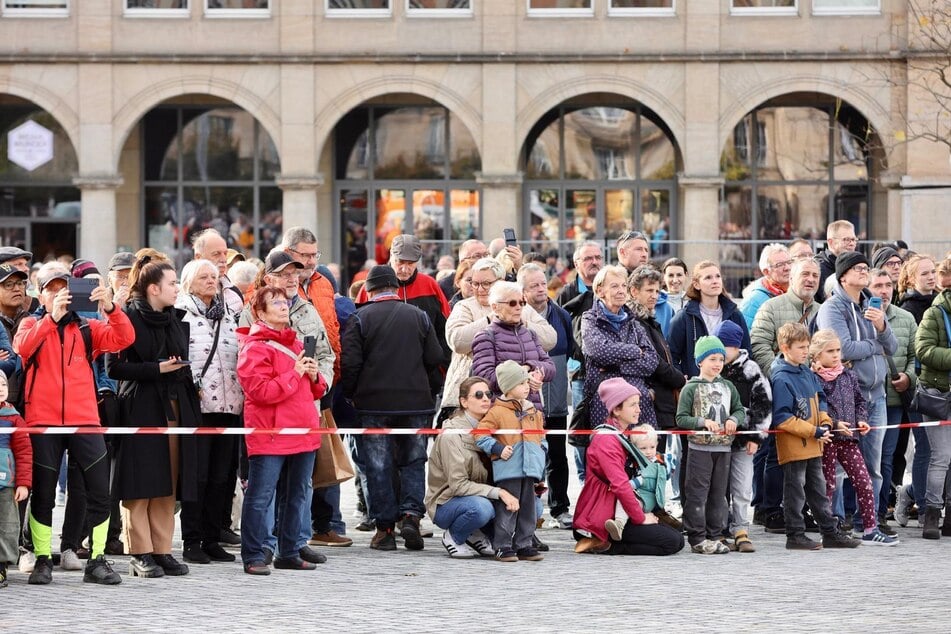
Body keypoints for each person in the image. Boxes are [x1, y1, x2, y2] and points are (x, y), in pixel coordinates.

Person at [14, 262, 134, 585]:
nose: (59, 293)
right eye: (51, 288)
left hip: (84, 420)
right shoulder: (30, 323)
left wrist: (110, 307)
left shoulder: (87, 327)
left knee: (99, 492)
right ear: (40, 296)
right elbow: (21, 348)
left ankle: (96, 560)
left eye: (62, 287)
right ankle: (41, 558)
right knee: (44, 494)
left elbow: (124, 338)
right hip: (44, 422)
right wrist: (50, 320)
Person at [107, 254, 202, 579]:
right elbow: (114, 368)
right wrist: (155, 369)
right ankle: (140, 552)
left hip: (175, 405)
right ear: (152, 288)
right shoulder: (127, 317)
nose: (177, 288)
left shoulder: (175, 318)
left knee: (168, 480)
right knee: (140, 481)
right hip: (141, 407)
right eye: (172, 283)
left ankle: (163, 550)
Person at [341, 265, 444, 552]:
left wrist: (351, 395)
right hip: (416, 403)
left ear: (370, 290)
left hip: (373, 404)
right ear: (395, 288)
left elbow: (349, 364)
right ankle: (411, 516)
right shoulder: (419, 316)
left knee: (378, 467)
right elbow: (435, 356)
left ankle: (384, 528)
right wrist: (429, 389)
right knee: (413, 462)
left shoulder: (359, 318)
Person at [236, 286, 328, 575]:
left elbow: (316, 390)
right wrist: (296, 373)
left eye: (285, 301)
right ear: (259, 313)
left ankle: (288, 551)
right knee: (261, 497)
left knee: (297, 495)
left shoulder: (297, 344)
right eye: (275, 302)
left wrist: (314, 376)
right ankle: (253, 554)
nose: (283, 305)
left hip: (303, 430)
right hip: (271, 433)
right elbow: (260, 391)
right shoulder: (254, 347)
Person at [816, 251, 897, 537]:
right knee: (836, 469)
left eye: (866, 268)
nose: (865, 272)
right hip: (843, 398)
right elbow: (844, 349)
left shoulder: (870, 305)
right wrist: (875, 346)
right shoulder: (832, 308)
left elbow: (893, 347)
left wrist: (881, 326)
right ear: (843, 276)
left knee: (872, 467)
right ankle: (835, 522)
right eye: (859, 268)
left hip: (876, 397)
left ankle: (869, 523)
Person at [176, 259, 244, 565]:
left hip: (230, 405)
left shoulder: (229, 314)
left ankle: (213, 537)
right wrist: (193, 384)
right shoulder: (180, 314)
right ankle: (192, 540)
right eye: (203, 277)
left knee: (222, 477)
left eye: (214, 277)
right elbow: (178, 357)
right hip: (199, 406)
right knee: (197, 476)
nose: (210, 281)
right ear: (188, 282)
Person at [770, 322, 860, 550]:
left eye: (807, 346)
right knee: (795, 491)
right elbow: (782, 417)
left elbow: (820, 397)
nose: (805, 351)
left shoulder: (806, 372)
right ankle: (795, 535)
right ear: (785, 347)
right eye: (800, 347)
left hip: (813, 442)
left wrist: (826, 421)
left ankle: (829, 532)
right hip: (795, 444)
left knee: (818, 490)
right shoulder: (781, 377)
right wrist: (813, 431)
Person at [573, 378, 684, 556]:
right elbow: (620, 485)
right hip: (602, 517)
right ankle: (605, 544)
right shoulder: (606, 440)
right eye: (633, 405)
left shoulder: (622, 434)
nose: (639, 409)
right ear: (616, 409)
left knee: (676, 538)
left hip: (616, 509)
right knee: (672, 542)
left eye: (638, 404)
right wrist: (640, 518)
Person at [440, 259, 555, 426]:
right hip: (479, 401)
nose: (479, 289)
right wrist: (492, 319)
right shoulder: (464, 307)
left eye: (486, 283)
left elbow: (551, 339)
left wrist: (521, 323)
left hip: (529, 405)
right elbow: (457, 341)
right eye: (475, 283)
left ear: (500, 282)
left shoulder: (521, 310)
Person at [810, 329, 898, 546]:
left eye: (838, 350)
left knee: (864, 481)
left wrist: (861, 420)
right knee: (828, 486)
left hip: (850, 440)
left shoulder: (848, 375)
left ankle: (870, 528)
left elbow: (860, 401)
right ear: (817, 355)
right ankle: (829, 530)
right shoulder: (812, 378)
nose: (835, 355)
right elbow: (815, 409)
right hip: (828, 439)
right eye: (830, 351)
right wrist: (834, 423)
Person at [425, 377, 512, 559]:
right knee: (482, 509)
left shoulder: (494, 428)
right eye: (478, 395)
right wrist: (499, 492)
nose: (486, 399)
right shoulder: (452, 435)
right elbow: (458, 485)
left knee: (532, 506)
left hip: (480, 494)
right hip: (447, 501)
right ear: (464, 402)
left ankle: (474, 533)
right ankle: (454, 537)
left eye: (489, 394)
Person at [676, 336, 746, 554]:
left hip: (723, 449)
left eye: (720, 359)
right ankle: (697, 537)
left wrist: (734, 420)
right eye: (712, 359)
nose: (717, 364)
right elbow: (681, 419)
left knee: (719, 495)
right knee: (697, 494)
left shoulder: (728, 387)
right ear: (700, 362)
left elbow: (739, 409)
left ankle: (716, 535)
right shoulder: (690, 388)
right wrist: (702, 422)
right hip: (699, 450)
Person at [518, 263, 573, 529]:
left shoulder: (561, 316)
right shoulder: (519, 316)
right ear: (522, 291)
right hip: (528, 404)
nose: (541, 289)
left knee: (558, 455)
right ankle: (531, 509)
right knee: (530, 457)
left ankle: (560, 507)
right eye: (534, 286)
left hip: (557, 402)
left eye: (543, 283)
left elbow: (569, 351)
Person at [475, 361, 547, 562]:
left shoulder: (533, 411)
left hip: (531, 469)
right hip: (509, 469)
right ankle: (503, 545)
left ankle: (524, 544)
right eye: (522, 383)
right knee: (508, 509)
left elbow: (541, 438)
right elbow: (480, 435)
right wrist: (497, 449)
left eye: (527, 382)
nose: (527, 386)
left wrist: (541, 460)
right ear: (508, 387)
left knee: (528, 509)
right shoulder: (497, 411)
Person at [868, 268, 919, 532]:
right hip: (866, 399)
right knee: (865, 458)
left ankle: (879, 511)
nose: (884, 290)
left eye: (888, 285)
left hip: (895, 401)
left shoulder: (906, 318)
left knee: (886, 458)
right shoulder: (860, 316)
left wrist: (909, 377)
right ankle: (859, 511)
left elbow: (914, 354)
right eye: (878, 285)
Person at [714, 321, 771, 553]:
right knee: (718, 487)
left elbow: (764, 404)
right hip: (717, 441)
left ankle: (740, 528)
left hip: (742, 440)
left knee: (742, 487)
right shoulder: (712, 367)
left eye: (726, 346)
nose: (721, 351)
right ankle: (718, 528)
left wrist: (755, 437)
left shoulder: (751, 370)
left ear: (736, 347)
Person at [580, 266, 660, 430]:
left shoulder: (634, 323)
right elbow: (599, 351)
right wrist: (635, 351)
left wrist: (614, 365)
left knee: (643, 452)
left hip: (639, 405)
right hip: (606, 406)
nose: (621, 291)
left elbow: (651, 360)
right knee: (609, 451)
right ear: (600, 291)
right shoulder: (590, 319)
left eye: (623, 286)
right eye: (615, 286)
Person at [470, 281, 556, 418]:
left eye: (522, 303)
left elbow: (551, 368)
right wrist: (523, 378)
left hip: (532, 415)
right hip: (501, 417)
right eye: (512, 303)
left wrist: (529, 367)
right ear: (495, 307)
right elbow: (485, 379)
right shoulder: (485, 336)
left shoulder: (530, 333)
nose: (518, 307)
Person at [915, 262, 951, 539]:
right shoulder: (934, 313)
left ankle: (949, 515)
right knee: (941, 456)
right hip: (937, 393)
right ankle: (931, 513)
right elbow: (923, 350)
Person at [668, 260, 751, 380]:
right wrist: (682, 380)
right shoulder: (683, 318)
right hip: (697, 388)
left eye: (718, 276)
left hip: (730, 388)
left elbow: (746, 351)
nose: (715, 281)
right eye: (708, 278)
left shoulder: (735, 315)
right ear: (696, 284)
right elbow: (671, 356)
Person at [750, 258, 821, 378]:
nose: (811, 279)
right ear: (791, 278)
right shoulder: (770, 307)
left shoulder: (823, 311)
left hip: (815, 387)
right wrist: (780, 376)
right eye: (805, 274)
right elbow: (759, 346)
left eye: (815, 275)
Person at [0, 373, 31, 589]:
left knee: (7, 526)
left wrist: (23, 483)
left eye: (3, 383)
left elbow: (24, 453)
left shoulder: (14, 418)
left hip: (6, 483)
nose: (1, 387)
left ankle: (2, 565)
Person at [740, 243, 792, 329]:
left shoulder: (797, 294)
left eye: (789, 262)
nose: (787, 268)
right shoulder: (753, 301)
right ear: (766, 272)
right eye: (780, 265)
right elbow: (745, 336)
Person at [815, 219, 858, 303]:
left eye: (853, 240)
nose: (852, 243)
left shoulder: (856, 266)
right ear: (831, 242)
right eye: (846, 240)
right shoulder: (818, 268)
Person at [555, 241, 603, 309]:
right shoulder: (567, 292)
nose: (594, 262)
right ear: (576, 264)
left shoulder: (611, 288)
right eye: (588, 258)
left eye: (598, 257)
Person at [898, 253, 938, 324]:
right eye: (924, 274)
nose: (931, 277)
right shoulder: (907, 309)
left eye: (933, 272)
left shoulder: (941, 301)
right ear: (911, 279)